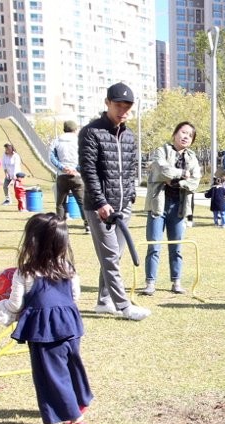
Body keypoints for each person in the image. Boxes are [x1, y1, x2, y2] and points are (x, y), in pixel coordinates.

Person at [0, 213, 92, 424]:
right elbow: (74, 296)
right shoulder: (68, 267)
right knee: (70, 365)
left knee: (52, 375)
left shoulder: (25, 272)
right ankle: (79, 401)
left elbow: (15, 305)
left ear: (31, 241)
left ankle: (76, 420)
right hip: (70, 325)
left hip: (44, 331)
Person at [78, 81, 149, 321]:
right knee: (109, 256)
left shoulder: (129, 135)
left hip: (122, 205)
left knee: (116, 255)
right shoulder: (91, 131)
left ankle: (104, 300)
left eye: (127, 106)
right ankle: (124, 306)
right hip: (99, 207)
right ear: (107, 103)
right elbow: (88, 171)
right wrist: (100, 203)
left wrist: (129, 196)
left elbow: (130, 169)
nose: (123, 111)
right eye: (118, 105)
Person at [142, 120, 201, 296]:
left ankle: (176, 282)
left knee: (176, 247)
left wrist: (177, 182)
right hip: (158, 205)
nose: (186, 137)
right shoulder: (162, 151)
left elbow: (195, 181)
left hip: (179, 207)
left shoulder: (192, 157)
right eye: (183, 132)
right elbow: (161, 170)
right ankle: (150, 283)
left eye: (190, 135)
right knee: (154, 245)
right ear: (175, 133)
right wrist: (183, 173)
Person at [50, 120, 86, 228]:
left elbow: (52, 157)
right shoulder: (79, 140)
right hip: (76, 175)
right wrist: (76, 169)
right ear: (75, 129)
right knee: (82, 202)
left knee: (60, 203)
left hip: (62, 175)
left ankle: (60, 225)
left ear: (64, 129)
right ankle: (87, 224)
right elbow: (84, 157)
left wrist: (63, 168)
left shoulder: (56, 140)